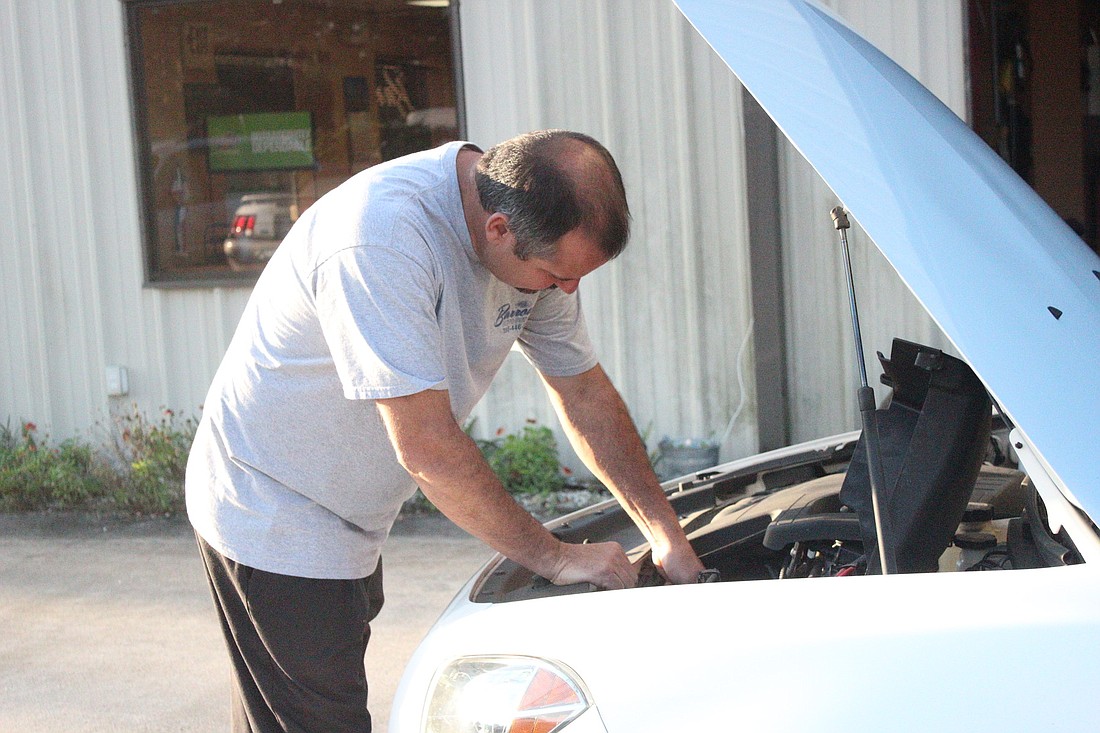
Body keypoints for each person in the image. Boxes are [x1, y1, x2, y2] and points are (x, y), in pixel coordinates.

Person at [186, 129, 705, 732]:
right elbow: (427, 446)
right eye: (556, 275)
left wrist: (666, 535)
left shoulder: (535, 236)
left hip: (352, 508)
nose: (568, 290)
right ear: (498, 230)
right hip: (274, 506)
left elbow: (583, 391)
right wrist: (555, 557)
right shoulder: (379, 240)